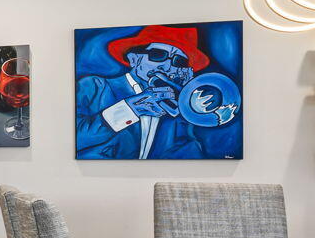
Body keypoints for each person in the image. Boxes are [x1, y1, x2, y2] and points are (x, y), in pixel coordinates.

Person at [74, 25, 237, 160]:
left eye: (178, 61)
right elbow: (77, 138)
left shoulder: (174, 110)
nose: (167, 67)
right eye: (158, 55)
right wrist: (132, 109)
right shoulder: (95, 86)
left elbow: (186, 152)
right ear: (133, 59)